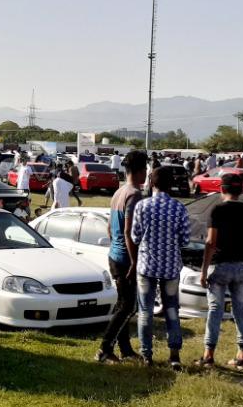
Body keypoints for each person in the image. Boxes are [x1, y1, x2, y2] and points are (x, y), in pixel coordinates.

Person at [195, 173, 243, 370]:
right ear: (240, 190)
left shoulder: (217, 210)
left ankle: (208, 355)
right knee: (241, 310)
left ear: (221, 189)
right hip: (242, 266)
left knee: (216, 309)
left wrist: (203, 271)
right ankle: (242, 356)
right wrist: (242, 241)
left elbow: (210, 241)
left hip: (221, 265)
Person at [131, 166, 189, 368]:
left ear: (152, 183)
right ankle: (174, 355)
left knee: (145, 311)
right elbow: (185, 239)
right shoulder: (179, 207)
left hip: (146, 266)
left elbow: (135, 236)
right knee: (172, 310)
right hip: (171, 267)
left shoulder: (142, 206)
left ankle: (147, 355)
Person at [95, 150, 147, 364]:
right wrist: (134, 260)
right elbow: (128, 231)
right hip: (126, 258)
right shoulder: (134, 194)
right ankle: (105, 348)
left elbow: (109, 228)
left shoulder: (119, 192)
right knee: (127, 306)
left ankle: (125, 349)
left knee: (123, 304)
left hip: (114, 254)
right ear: (140, 170)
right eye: (145, 170)